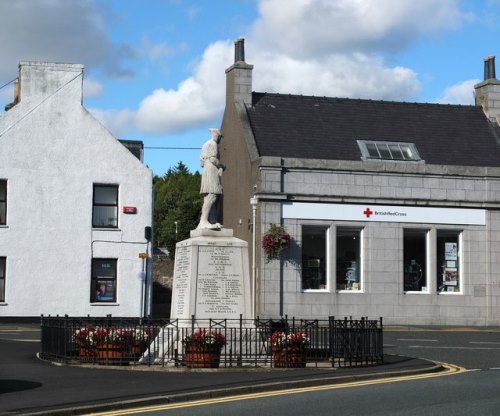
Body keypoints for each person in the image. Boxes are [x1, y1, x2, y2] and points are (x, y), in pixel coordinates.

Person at [197, 128, 225, 229]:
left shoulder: (204, 144)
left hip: (206, 171)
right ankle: (204, 221)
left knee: (211, 197)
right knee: (212, 196)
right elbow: (213, 159)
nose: (219, 140)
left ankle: (211, 220)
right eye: (219, 137)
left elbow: (201, 163)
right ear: (217, 135)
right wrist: (222, 166)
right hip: (211, 171)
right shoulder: (213, 144)